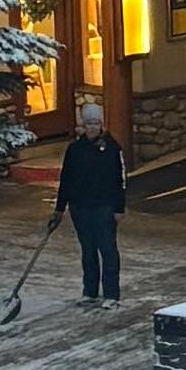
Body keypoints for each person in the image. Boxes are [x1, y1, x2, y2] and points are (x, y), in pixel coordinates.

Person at [60, 92, 127, 306]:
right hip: (80, 207)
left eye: (96, 123)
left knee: (107, 249)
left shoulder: (112, 149)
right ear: (83, 125)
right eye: (89, 123)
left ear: (101, 125)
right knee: (87, 250)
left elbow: (121, 179)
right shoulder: (75, 149)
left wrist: (119, 207)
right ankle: (90, 290)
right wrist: (60, 208)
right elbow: (66, 179)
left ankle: (111, 294)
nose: (92, 127)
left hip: (105, 207)